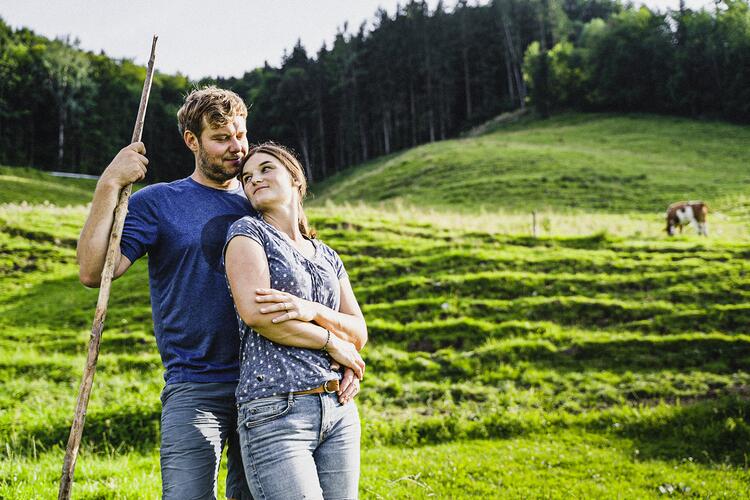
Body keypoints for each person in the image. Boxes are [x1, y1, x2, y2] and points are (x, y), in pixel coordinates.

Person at [76, 87, 359, 500]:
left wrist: (336, 350)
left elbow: (310, 273)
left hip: (269, 386)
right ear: (193, 141)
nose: (237, 148)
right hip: (196, 383)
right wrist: (110, 183)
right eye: (221, 138)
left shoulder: (259, 201)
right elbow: (92, 271)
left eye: (240, 135)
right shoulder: (159, 202)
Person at [223, 142, 367, 500]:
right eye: (247, 177)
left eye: (266, 169)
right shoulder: (246, 233)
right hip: (275, 408)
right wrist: (332, 342)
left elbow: (359, 331)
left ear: (295, 178)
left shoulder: (327, 255)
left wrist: (312, 310)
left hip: (338, 408)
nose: (254, 179)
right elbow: (258, 315)